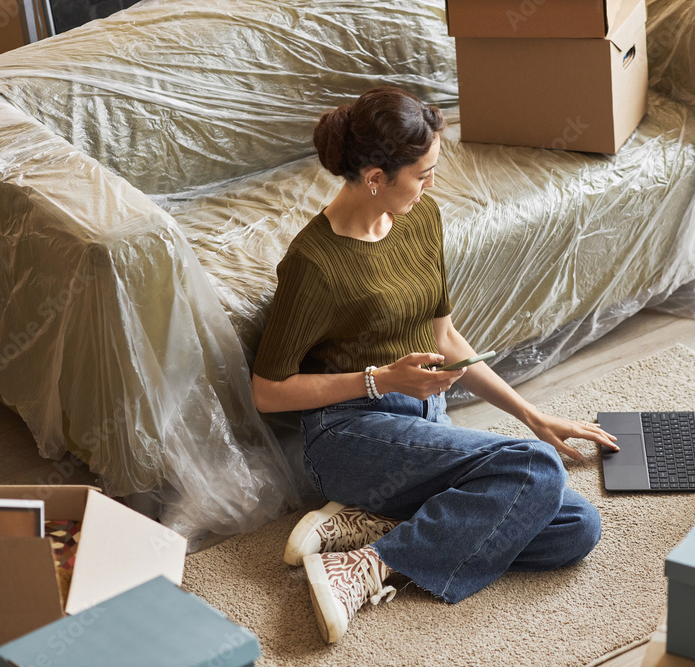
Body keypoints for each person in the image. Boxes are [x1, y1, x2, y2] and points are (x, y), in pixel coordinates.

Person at [251, 86, 619, 644]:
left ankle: (378, 521)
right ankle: (364, 565)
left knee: (575, 528)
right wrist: (379, 380)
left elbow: (443, 335)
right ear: (375, 176)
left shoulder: (420, 219)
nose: (431, 185)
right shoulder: (313, 264)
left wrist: (532, 415)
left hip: (422, 423)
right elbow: (267, 391)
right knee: (533, 469)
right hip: (350, 434)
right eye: (422, 173)